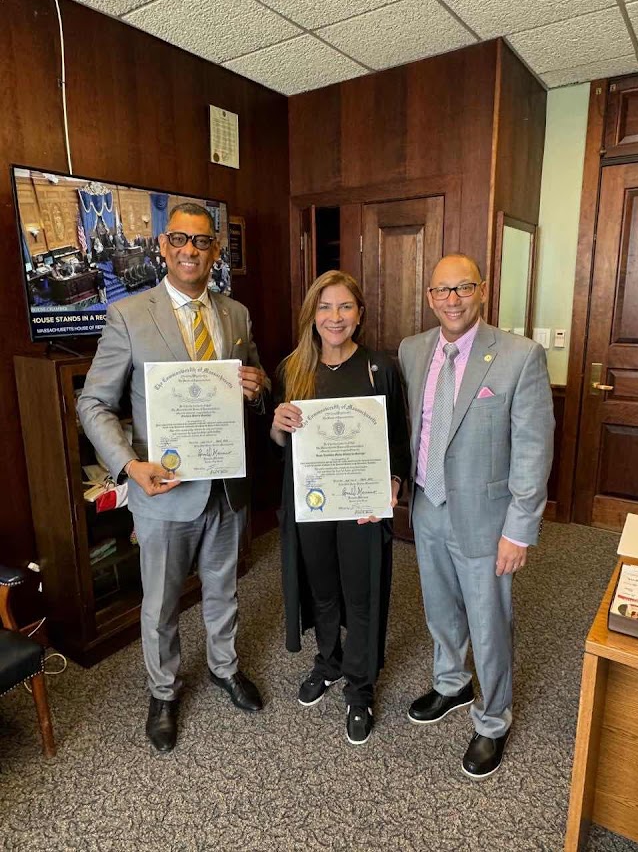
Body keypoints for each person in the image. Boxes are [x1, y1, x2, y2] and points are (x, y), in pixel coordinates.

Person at [78, 202, 269, 754]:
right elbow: (93, 403)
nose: (191, 250)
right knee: (160, 602)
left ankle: (224, 668)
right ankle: (163, 690)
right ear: (163, 246)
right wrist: (128, 466)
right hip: (162, 492)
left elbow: (250, 383)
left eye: (202, 241)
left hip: (225, 485)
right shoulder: (129, 315)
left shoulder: (236, 315)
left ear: (214, 250)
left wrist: (256, 388)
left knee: (223, 588)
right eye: (180, 240)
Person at [398, 253, 554, 779]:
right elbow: (408, 428)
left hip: (488, 519)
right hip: (428, 505)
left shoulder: (519, 356)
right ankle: (451, 683)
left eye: (463, 288)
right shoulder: (412, 350)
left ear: (482, 291)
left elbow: (533, 450)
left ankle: (492, 719)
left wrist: (520, 529)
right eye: (441, 290)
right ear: (429, 297)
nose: (452, 300)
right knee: (439, 606)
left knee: (489, 622)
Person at [271, 270, 409, 745]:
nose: (335, 317)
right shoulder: (293, 368)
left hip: (360, 506)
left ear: (360, 315)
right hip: (310, 504)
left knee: (362, 594)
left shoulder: (379, 368)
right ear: (312, 315)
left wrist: (392, 482)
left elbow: (398, 439)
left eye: (345, 307)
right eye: (325, 307)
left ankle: (360, 687)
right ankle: (328, 661)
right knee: (322, 589)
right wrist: (278, 423)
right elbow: (280, 443)